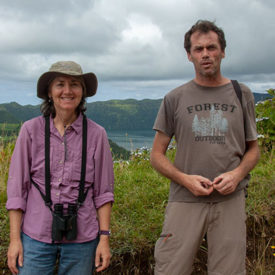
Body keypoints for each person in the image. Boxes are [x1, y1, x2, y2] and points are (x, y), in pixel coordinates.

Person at [151, 20, 260, 275]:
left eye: (211, 47)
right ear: (189, 55)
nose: (206, 54)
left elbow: (253, 150)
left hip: (230, 200)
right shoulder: (175, 98)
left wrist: (236, 175)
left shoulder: (241, 93)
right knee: (170, 269)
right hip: (185, 199)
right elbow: (156, 155)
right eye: (198, 49)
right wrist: (185, 179)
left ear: (223, 51)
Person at [6, 61, 114, 275]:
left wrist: (104, 239)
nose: (67, 91)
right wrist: (14, 240)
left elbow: (103, 192)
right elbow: (18, 190)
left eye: (74, 84)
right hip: (35, 235)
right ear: (49, 91)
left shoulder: (96, 134)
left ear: (82, 92)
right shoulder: (30, 131)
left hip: (83, 238)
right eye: (60, 84)